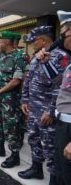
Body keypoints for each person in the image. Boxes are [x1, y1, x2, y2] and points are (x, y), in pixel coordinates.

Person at [18, 26, 59, 183]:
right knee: (34, 139)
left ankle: (55, 179)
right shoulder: (36, 57)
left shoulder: (59, 57)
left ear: (43, 40)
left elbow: (61, 87)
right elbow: (28, 80)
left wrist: (51, 110)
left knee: (50, 146)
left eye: (34, 41)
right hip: (33, 108)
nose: (32, 44)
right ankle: (36, 169)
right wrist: (25, 100)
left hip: (46, 111)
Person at [36, 10, 71, 185]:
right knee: (60, 172)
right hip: (63, 124)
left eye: (65, 34)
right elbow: (60, 82)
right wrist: (46, 63)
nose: (62, 39)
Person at [0, 31, 27, 169]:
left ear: (6, 42)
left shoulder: (20, 56)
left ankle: (15, 156)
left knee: (12, 128)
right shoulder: (3, 57)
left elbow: (16, 80)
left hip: (11, 101)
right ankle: (0, 148)